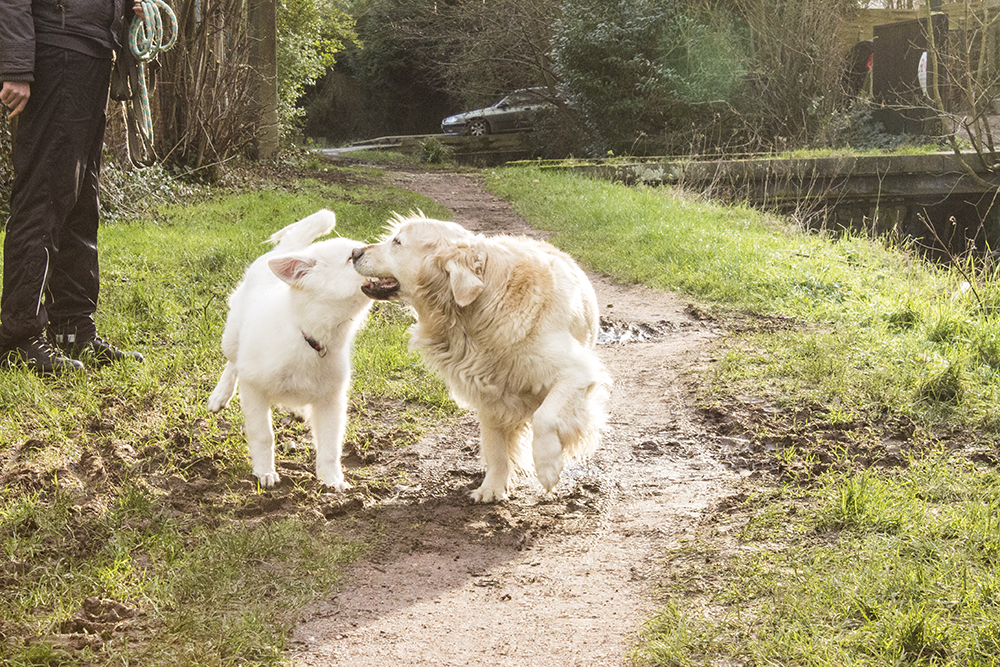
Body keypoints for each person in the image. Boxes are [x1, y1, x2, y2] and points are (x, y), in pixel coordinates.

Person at [0, 0, 145, 375]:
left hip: (92, 51)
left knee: (81, 201)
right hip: (55, 52)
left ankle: (73, 328)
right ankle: (18, 338)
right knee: (44, 196)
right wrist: (16, 65)